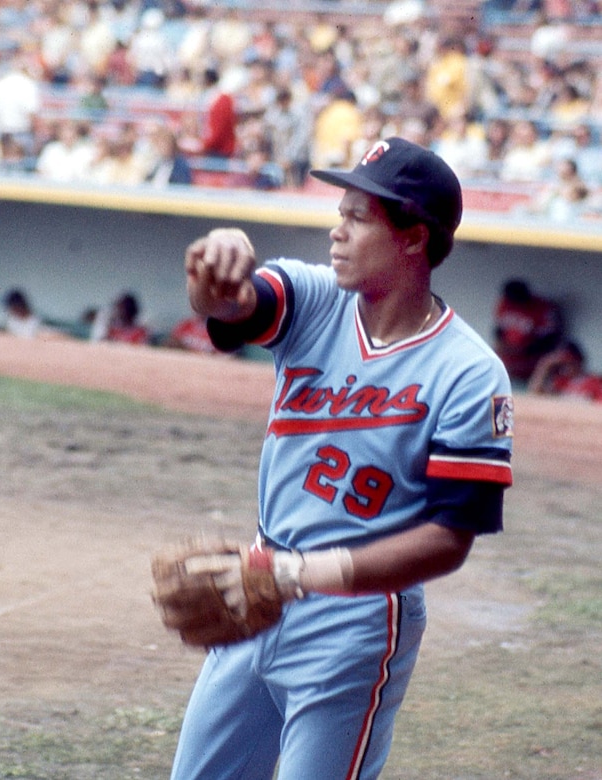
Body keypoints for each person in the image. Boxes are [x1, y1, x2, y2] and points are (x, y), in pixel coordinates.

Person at [164, 136, 514, 779]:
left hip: (357, 620)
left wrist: (299, 574)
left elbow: (448, 540)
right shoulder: (315, 298)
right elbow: (234, 309)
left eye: (358, 216)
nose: (337, 231)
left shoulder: (469, 373)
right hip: (257, 588)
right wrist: (217, 271)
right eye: (340, 212)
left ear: (413, 237)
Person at [493, 278, 563, 382]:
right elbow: (499, 329)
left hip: (529, 366)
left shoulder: (542, 308)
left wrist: (521, 350)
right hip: (507, 363)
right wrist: (502, 346)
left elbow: (549, 340)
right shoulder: (505, 304)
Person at [528, 341, 602, 403]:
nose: (565, 366)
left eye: (569, 361)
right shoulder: (561, 382)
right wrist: (545, 365)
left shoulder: (595, 381)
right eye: (562, 362)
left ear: (578, 360)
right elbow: (535, 395)